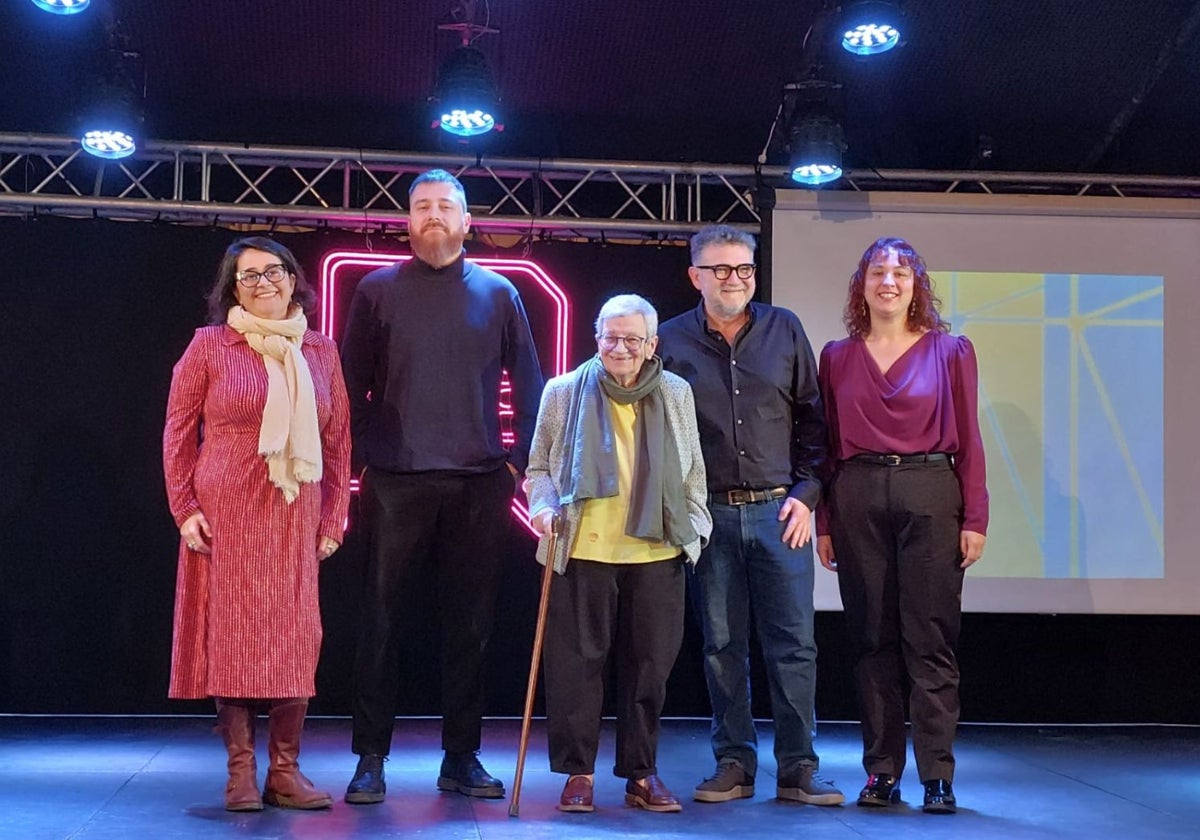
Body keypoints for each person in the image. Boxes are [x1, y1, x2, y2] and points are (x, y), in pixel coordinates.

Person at [339, 169, 544, 803]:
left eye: (444, 206)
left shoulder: (500, 292)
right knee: (379, 622)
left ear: (466, 220)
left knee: (472, 627)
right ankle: (371, 757)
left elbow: (534, 388)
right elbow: (349, 389)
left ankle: (462, 756)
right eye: (421, 206)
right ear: (407, 220)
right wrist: (371, 456)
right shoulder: (376, 290)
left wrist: (513, 463)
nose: (433, 216)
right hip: (396, 481)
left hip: (479, 483)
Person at [163, 236, 351, 811]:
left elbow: (337, 439)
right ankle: (240, 772)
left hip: (295, 512)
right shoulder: (210, 346)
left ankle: (285, 773)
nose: (264, 282)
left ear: (294, 280)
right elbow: (177, 431)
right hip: (225, 512)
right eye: (249, 276)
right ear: (232, 288)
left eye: (275, 271)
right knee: (233, 637)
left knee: (294, 636)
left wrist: (334, 516)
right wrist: (184, 508)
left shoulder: (320, 351)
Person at [658, 224, 843, 806]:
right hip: (707, 516)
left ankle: (799, 769)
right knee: (720, 645)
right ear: (695, 276)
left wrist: (808, 494)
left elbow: (815, 423)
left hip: (779, 512)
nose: (733, 279)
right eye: (720, 269)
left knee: (794, 645)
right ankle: (734, 764)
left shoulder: (784, 328)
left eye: (743, 269)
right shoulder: (668, 340)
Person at [815, 236, 988, 815]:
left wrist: (977, 516)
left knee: (929, 639)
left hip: (931, 490)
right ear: (861, 284)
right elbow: (828, 449)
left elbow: (971, 440)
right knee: (871, 640)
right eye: (877, 272)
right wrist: (824, 520)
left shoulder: (951, 350)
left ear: (917, 285)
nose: (889, 281)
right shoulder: (837, 356)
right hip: (857, 493)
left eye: (901, 273)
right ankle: (881, 773)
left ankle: (937, 774)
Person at [525, 294, 712, 814]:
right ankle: (577, 774)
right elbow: (538, 468)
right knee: (576, 668)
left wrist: (693, 528)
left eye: (634, 339)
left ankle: (641, 774)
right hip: (582, 548)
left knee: (649, 668)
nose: (622, 348)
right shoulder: (563, 392)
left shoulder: (675, 392)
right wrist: (542, 511)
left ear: (652, 344)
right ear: (596, 338)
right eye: (612, 337)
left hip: (657, 551)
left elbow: (693, 469)